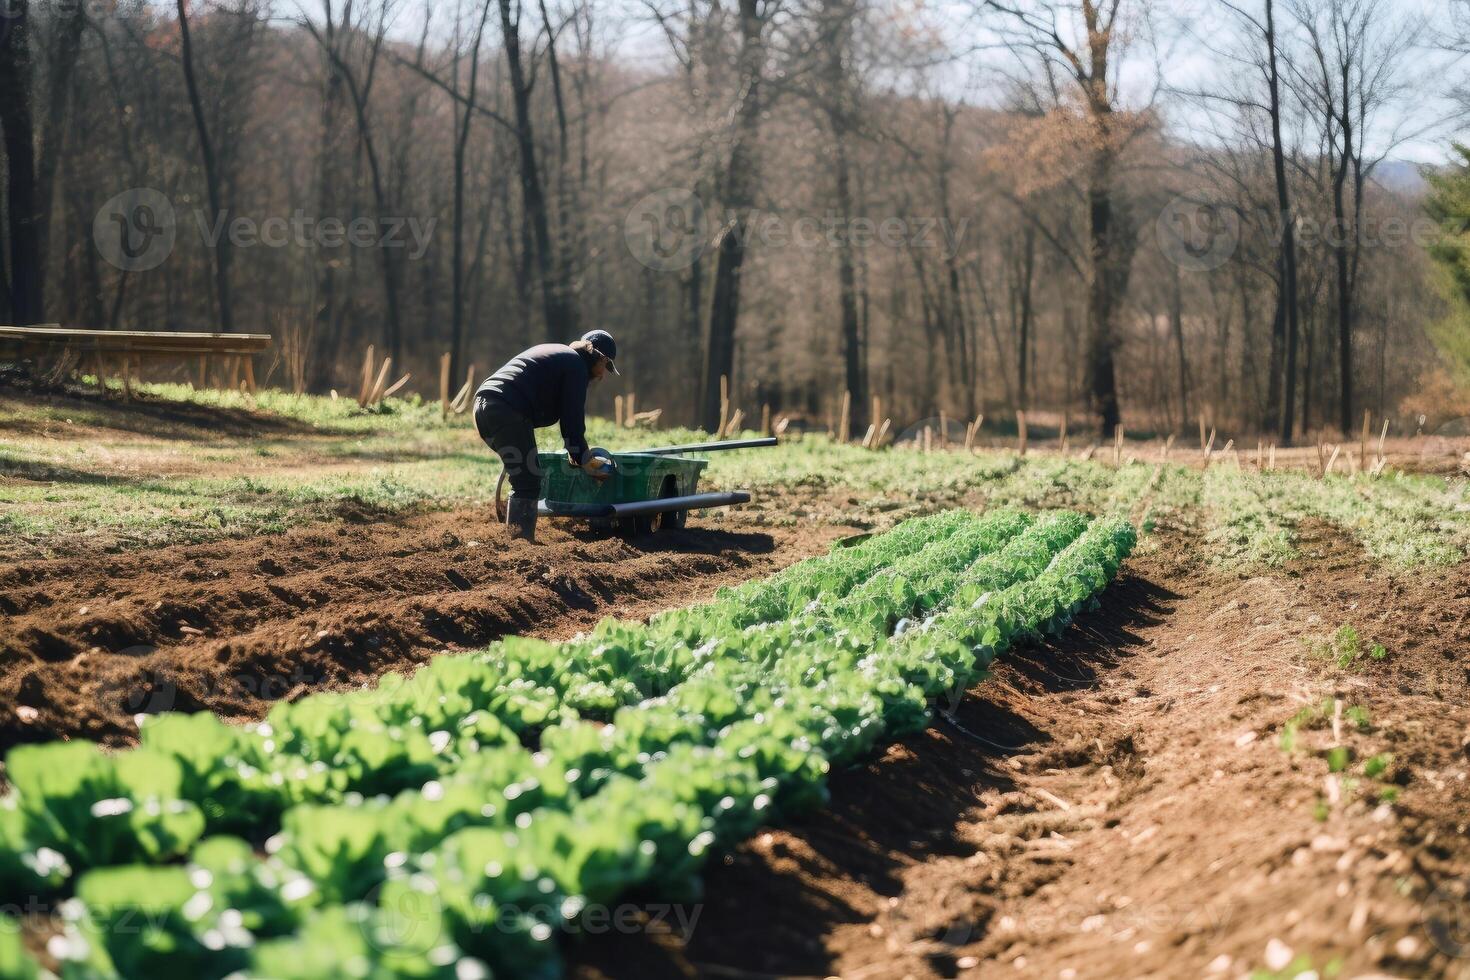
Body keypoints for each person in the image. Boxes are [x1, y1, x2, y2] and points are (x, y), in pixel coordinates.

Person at [474, 330, 619, 542]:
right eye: (605, 367)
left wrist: (576, 453)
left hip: (484, 406)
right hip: (504, 407)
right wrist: (584, 459)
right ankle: (519, 544)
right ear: (600, 357)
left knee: (523, 472)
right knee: (527, 480)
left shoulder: (561, 356)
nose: (602, 375)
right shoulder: (576, 366)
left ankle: (515, 538)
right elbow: (572, 421)